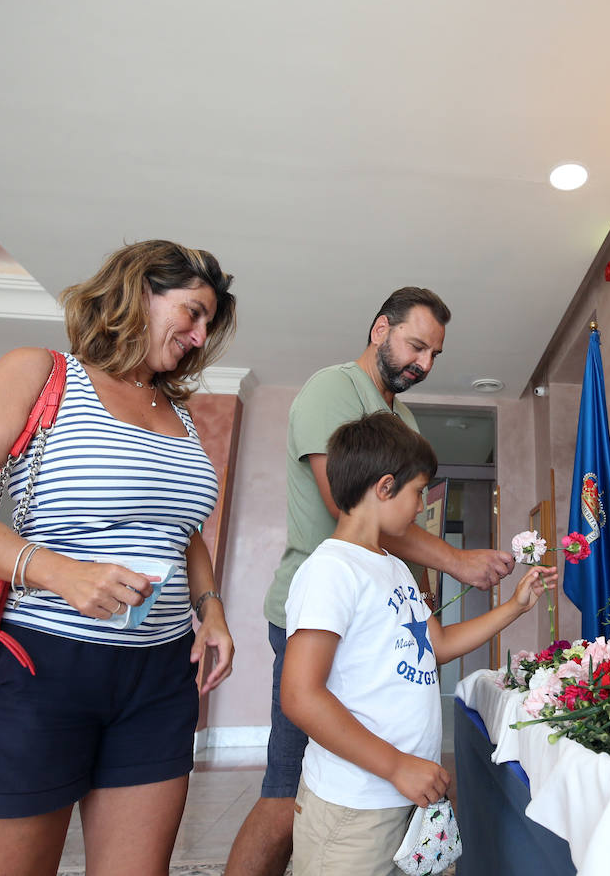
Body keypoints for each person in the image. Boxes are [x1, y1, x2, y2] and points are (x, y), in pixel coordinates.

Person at [0, 239, 237, 876]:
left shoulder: (182, 416)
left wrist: (210, 609)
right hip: (37, 667)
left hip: (159, 677)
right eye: (192, 313)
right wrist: (59, 572)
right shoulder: (41, 373)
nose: (199, 336)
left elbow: (182, 530)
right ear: (138, 292)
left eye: (208, 323)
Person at [225, 286, 515, 876]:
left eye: (435, 354)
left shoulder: (401, 416)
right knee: (287, 789)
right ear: (380, 328)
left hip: (381, 611)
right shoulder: (332, 390)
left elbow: (390, 540)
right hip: (325, 615)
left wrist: (419, 586)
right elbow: (348, 504)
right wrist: (455, 561)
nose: (424, 364)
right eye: (416, 345)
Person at [280, 412, 558, 876]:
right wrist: (394, 766)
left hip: (401, 796)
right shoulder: (330, 571)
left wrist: (515, 606)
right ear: (385, 487)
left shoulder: (391, 566)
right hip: (354, 808)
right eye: (417, 492)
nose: (420, 507)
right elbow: (300, 695)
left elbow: (440, 644)